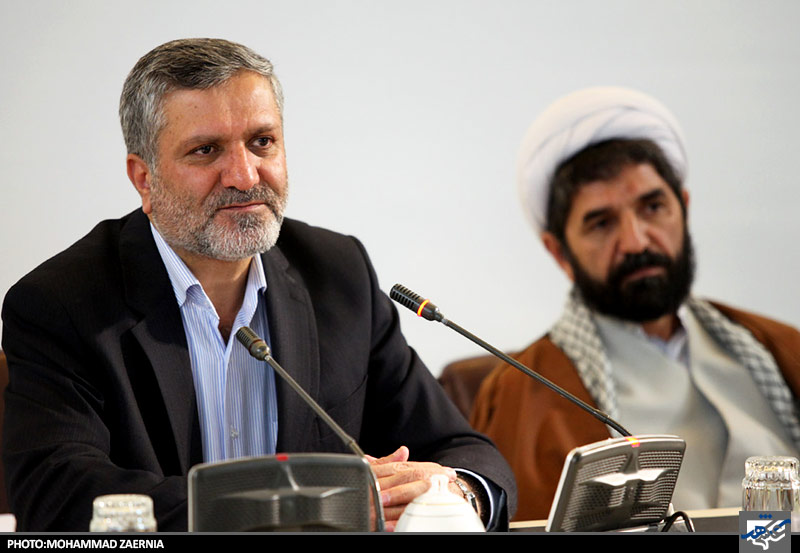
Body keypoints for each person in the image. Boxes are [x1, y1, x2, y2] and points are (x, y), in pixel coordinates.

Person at [1, 38, 515, 532]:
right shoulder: (62, 304)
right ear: (144, 179)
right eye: (206, 151)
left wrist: (454, 493)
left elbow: (463, 451)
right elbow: (58, 498)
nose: (245, 176)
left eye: (261, 142)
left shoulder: (339, 276)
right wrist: (293, 508)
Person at [470, 86, 800, 521]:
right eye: (601, 223)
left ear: (683, 207)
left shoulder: (779, 348)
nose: (636, 241)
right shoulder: (525, 394)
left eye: (652, 207)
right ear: (559, 252)